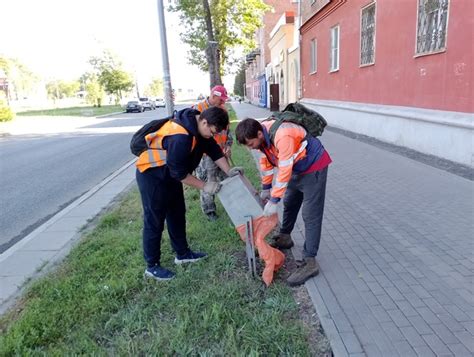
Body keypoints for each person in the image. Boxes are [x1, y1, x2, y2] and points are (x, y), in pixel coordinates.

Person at [135, 106, 243, 281]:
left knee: (177, 214)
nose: (212, 136)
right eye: (213, 131)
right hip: (152, 177)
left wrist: (229, 171)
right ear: (204, 122)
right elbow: (179, 173)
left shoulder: (201, 130)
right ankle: (152, 266)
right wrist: (205, 186)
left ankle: (182, 254)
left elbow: (214, 151)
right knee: (154, 220)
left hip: (170, 177)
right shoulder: (180, 136)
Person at [235, 118, 331, 286]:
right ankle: (285, 237)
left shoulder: (283, 134)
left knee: (311, 214)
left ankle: (310, 261)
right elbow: (266, 161)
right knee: (290, 202)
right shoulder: (262, 136)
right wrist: (266, 188)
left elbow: (284, 169)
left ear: (259, 134)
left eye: (251, 144)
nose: (251, 148)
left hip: (314, 166)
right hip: (297, 166)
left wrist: (273, 199)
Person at [193, 85, 233, 221]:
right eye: (221, 100)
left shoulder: (223, 111)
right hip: (205, 156)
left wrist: (228, 145)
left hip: (221, 153)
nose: (223, 103)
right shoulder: (197, 110)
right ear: (213, 96)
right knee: (208, 182)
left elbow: (228, 131)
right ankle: (210, 211)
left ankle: (232, 204)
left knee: (228, 178)